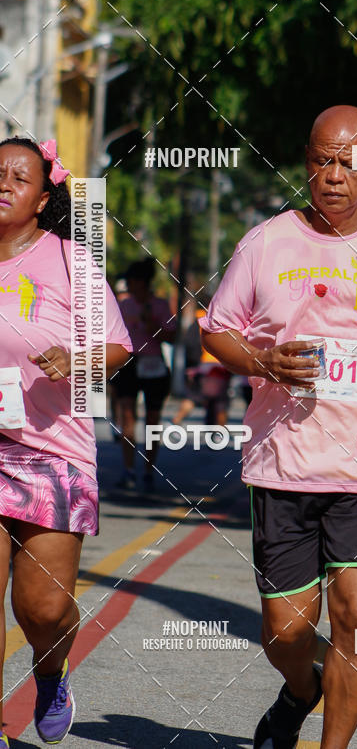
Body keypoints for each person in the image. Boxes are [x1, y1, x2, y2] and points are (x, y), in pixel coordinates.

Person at [201, 105, 357, 749]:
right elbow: (215, 329)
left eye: (348, 161)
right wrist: (262, 359)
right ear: (306, 163)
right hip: (283, 463)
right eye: (322, 160)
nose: (333, 174)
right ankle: (300, 689)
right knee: (288, 632)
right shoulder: (265, 241)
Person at [0, 137, 132, 746]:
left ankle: (51, 669)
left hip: (53, 450)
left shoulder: (72, 263)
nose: (3, 182)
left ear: (43, 197)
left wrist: (76, 361)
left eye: (18, 177)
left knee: (43, 609)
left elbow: (117, 347)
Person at [112, 258, 176, 492]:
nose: (130, 285)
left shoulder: (158, 305)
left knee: (152, 420)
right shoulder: (124, 305)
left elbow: (171, 336)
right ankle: (128, 468)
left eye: (133, 281)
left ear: (143, 282)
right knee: (127, 416)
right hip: (129, 363)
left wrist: (152, 323)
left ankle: (149, 469)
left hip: (153, 364)